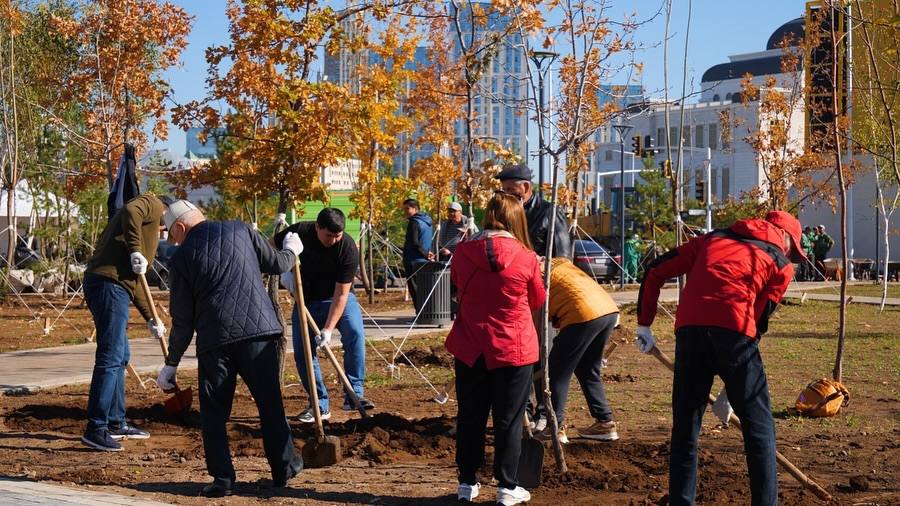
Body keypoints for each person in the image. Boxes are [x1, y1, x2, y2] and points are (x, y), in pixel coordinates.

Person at [633, 210, 806, 506]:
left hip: (690, 332)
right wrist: (734, 384)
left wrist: (644, 324)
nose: (792, 254)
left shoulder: (711, 240)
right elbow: (758, 320)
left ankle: (681, 501)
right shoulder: (781, 263)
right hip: (736, 333)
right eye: (795, 249)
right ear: (786, 237)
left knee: (686, 427)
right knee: (759, 429)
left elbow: (655, 270)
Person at [156, 200, 304, 497]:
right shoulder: (241, 230)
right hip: (258, 334)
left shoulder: (181, 258)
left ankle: (222, 479)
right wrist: (293, 251)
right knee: (269, 403)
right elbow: (276, 264)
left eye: (173, 235)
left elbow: (183, 320)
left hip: (215, 343)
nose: (174, 241)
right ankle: (283, 469)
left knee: (213, 413)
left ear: (181, 227)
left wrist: (171, 363)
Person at [445, 192, 545, 506]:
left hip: (470, 345)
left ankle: (467, 482)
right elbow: (538, 300)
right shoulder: (527, 256)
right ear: (517, 219)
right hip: (512, 347)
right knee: (509, 419)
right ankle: (507, 485)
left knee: (470, 416)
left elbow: (458, 287)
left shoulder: (462, 252)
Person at [81, 193, 168, 452]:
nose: (165, 234)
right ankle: (95, 428)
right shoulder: (154, 204)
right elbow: (131, 209)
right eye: (166, 228)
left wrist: (153, 319)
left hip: (115, 286)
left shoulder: (149, 233)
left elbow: (137, 284)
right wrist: (135, 250)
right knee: (111, 355)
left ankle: (115, 422)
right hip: (108, 286)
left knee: (121, 354)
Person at [274, 208, 374, 421]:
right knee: (303, 353)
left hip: (339, 299)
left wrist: (328, 329)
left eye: (338, 235)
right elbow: (269, 247)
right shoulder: (300, 231)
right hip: (306, 300)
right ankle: (319, 404)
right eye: (329, 235)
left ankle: (354, 394)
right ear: (317, 227)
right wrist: (283, 270)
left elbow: (342, 294)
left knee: (355, 334)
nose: (334, 240)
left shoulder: (347, 248)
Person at [536, 257, 620, 445]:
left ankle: (554, 427)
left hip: (582, 314)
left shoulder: (533, 275)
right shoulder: (559, 263)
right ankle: (605, 423)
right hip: (608, 310)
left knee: (556, 373)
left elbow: (536, 324)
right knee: (587, 369)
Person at [496, 163, 572, 259]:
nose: (506, 195)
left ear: (526, 187)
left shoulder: (551, 213)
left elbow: (562, 259)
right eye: (504, 190)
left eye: (510, 190)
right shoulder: (502, 212)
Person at [402, 198, 434, 310]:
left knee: (415, 289)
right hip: (424, 260)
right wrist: (428, 254)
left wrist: (425, 253)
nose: (405, 211)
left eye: (407, 209)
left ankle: (420, 314)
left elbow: (415, 242)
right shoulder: (428, 221)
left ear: (415, 209)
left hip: (413, 260)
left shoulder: (414, 222)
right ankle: (426, 312)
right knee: (424, 288)